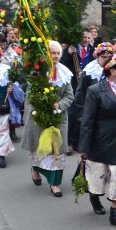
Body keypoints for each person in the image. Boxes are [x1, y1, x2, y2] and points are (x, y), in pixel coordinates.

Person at [77, 54, 116, 226]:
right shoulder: (95, 90)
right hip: (101, 140)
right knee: (98, 176)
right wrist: (83, 147)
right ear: (112, 71)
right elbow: (88, 121)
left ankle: (115, 212)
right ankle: (94, 196)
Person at [21, 41, 75, 197]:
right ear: (46, 54)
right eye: (52, 53)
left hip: (58, 118)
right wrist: (42, 104)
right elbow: (30, 94)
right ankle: (35, 169)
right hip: (39, 116)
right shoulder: (37, 72)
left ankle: (55, 183)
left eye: (58, 53)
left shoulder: (65, 72)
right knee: (40, 149)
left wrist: (59, 105)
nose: (56, 56)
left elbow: (69, 96)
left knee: (57, 151)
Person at [67, 42, 113, 155]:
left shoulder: (113, 69)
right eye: (104, 57)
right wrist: (80, 113)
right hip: (91, 111)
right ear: (97, 56)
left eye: (109, 57)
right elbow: (80, 92)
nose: (107, 59)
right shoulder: (89, 70)